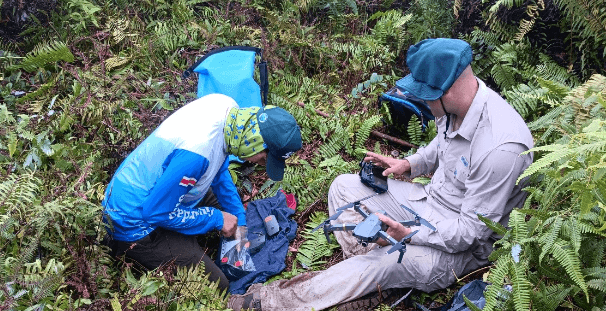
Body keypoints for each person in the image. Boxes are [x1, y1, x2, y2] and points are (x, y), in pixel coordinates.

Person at [228, 38, 534, 311]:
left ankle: (267, 302)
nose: (423, 102)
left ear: (449, 88)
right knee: (342, 188)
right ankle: (365, 277)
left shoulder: (499, 149)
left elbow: (470, 234)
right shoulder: (457, 107)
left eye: (426, 95)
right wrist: (409, 165)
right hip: (429, 202)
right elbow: (441, 146)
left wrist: (408, 234)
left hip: (459, 249)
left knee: (381, 261)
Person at [102, 93, 302, 291]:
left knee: (230, 214)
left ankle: (219, 251)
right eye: (262, 160)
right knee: (219, 286)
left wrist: (239, 222)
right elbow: (156, 212)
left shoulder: (228, 111)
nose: (259, 165)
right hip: (135, 223)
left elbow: (218, 172)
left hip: (164, 190)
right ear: (255, 142)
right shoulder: (197, 154)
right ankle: (178, 247)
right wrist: (216, 219)